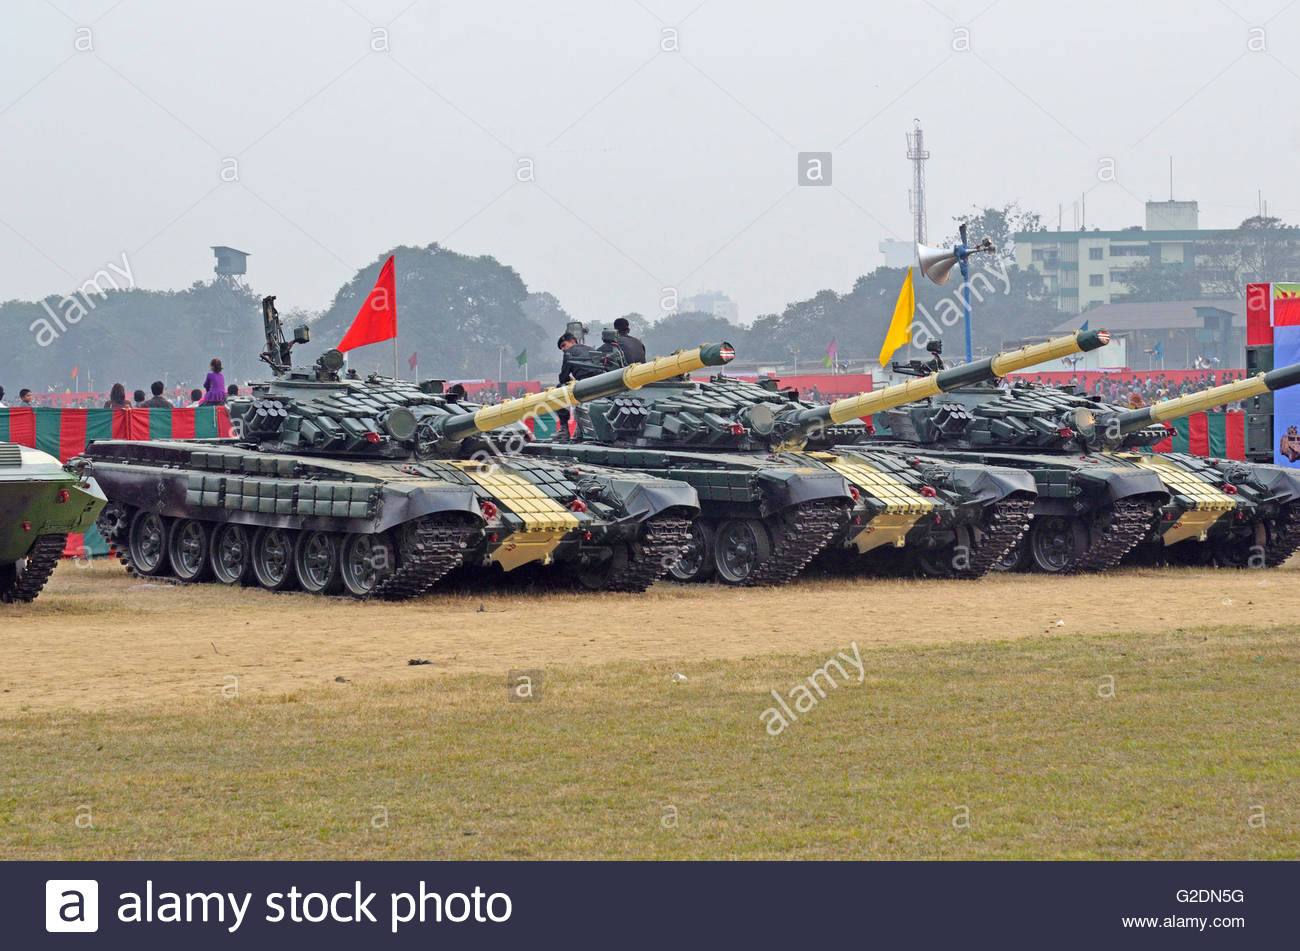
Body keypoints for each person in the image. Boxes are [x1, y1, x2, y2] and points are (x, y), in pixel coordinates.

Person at [555, 332, 602, 440]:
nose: (563, 349)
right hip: (601, 383)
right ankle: (579, 430)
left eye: (563, 345)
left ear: (572, 342)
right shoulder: (591, 349)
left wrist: (570, 380)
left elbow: (563, 377)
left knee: (559, 390)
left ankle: (564, 429)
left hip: (585, 384)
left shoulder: (569, 352)